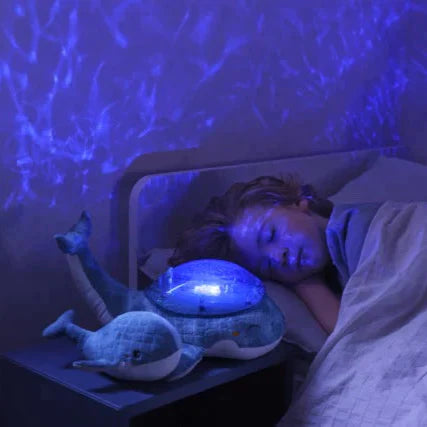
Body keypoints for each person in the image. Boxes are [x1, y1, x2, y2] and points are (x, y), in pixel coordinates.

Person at [168, 174, 343, 335]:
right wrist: (305, 283)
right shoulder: (332, 273)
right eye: (267, 266)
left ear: (297, 202)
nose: (277, 257)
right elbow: (349, 331)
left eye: (271, 235)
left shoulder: (355, 228)